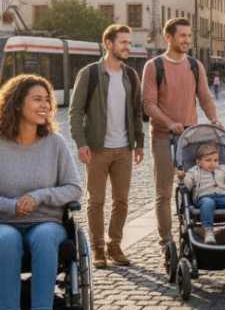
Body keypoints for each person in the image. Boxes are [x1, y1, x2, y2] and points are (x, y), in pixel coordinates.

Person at [0, 74, 82, 310]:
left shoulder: (55, 143)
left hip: (46, 222)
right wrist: (9, 206)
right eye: (37, 99)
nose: (45, 105)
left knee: (44, 237)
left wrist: (39, 196)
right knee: (8, 240)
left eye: (47, 99)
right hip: (0, 223)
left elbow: (74, 188)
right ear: (16, 104)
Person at [142, 17, 222, 251]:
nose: (187, 40)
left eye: (189, 35)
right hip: (163, 136)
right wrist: (169, 123)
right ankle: (166, 241)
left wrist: (214, 119)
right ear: (168, 37)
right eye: (182, 36)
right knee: (164, 192)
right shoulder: (154, 66)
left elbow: (205, 97)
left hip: (190, 137)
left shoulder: (195, 66)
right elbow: (148, 104)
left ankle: (197, 233)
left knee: (196, 186)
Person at [68, 24, 144, 268]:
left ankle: (115, 244)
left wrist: (139, 143)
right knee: (96, 201)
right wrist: (81, 143)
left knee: (122, 201)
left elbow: (137, 111)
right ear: (108, 44)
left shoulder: (131, 75)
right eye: (123, 42)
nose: (128, 47)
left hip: (124, 149)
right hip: (97, 149)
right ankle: (98, 248)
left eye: (129, 43)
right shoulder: (89, 74)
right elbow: (75, 112)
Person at [176, 142, 225, 244]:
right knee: (208, 203)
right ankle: (208, 231)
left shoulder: (222, 169)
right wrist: (182, 178)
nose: (212, 163)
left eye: (215, 160)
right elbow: (187, 185)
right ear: (198, 162)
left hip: (223, 196)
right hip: (204, 198)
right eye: (208, 160)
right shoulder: (194, 171)